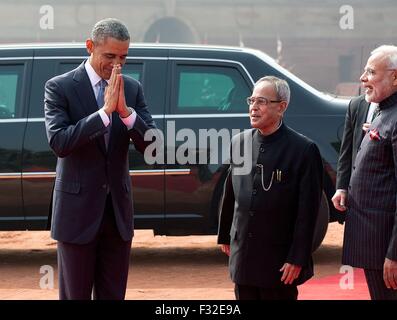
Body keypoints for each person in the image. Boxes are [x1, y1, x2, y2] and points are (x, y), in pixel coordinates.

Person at [44, 18, 156, 300]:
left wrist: (126, 114)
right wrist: (104, 113)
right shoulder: (59, 87)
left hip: (117, 215)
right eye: (110, 56)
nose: (116, 65)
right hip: (76, 214)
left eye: (123, 57)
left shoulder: (131, 89)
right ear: (90, 47)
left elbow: (154, 146)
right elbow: (60, 142)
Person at [217, 76, 323, 300]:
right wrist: (225, 235)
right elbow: (231, 193)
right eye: (252, 100)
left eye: (262, 102)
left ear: (281, 107)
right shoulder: (239, 142)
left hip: (279, 261)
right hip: (244, 256)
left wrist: (298, 258)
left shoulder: (303, 150)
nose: (254, 107)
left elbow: (308, 212)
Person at [342, 45, 397, 300]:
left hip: (386, 247)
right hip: (374, 244)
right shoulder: (383, 112)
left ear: (395, 77)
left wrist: (394, 253)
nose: (363, 78)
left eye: (371, 71)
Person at [332, 95, 378, 211]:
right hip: (357, 195)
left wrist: (380, 130)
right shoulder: (356, 104)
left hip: (385, 194)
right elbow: (346, 150)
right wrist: (341, 188)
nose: (363, 78)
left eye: (372, 74)